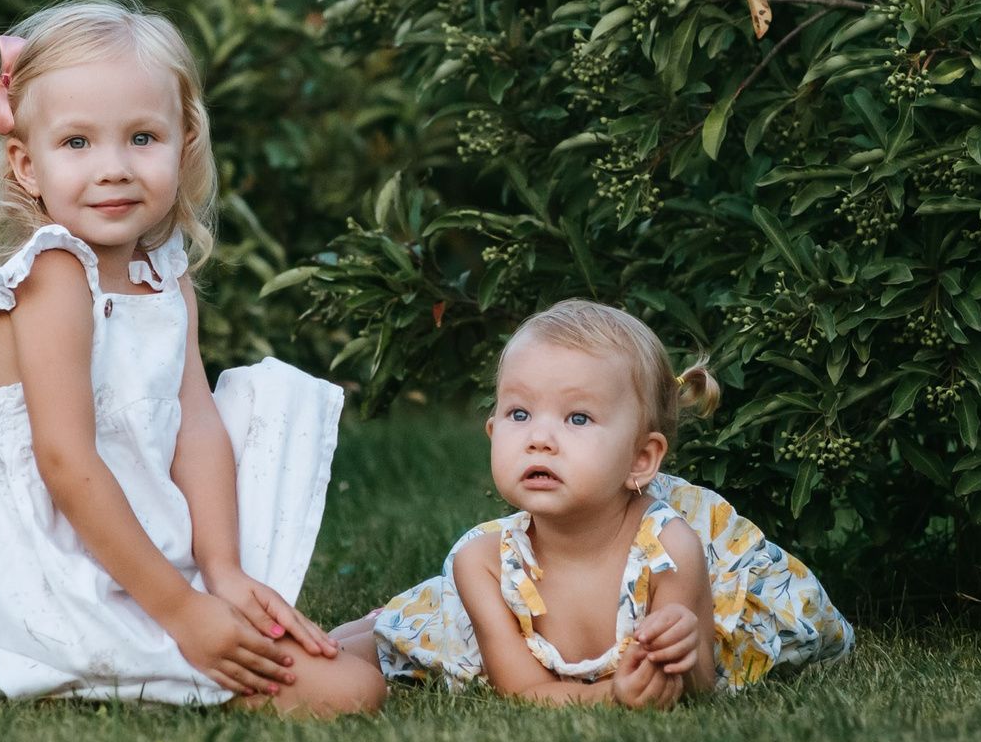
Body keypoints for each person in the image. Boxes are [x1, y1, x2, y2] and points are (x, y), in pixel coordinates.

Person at [0, 0, 385, 714]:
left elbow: (195, 425)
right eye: (76, 143)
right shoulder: (55, 276)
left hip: (133, 547)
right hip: (49, 578)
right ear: (26, 165)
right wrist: (185, 613)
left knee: (359, 655)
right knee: (353, 691)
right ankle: (195, 648)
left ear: (182, 143)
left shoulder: (166, 275)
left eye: (141, 138)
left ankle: (336, 635)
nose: (114, 167)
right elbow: (66, 467)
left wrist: (221, 571)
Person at [337, 301, 852, 704]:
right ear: (492, 431)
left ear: (641, 459)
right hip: (485, 618)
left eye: (577, 418)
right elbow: (521, 688)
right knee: (381, 639)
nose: (539, 438)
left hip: (680, 563)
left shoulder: (671, 549)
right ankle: (344, 629)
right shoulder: (483, 562)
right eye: (519, 414)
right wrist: (612, 696)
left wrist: (677, 651)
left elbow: (699, 685)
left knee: (381, 642)